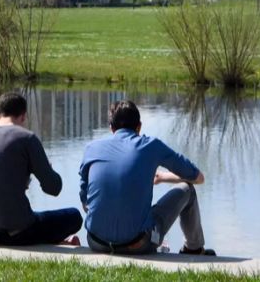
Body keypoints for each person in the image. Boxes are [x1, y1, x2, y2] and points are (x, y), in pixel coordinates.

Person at [79, 100, 215, 255]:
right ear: (139, 126)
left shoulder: (91, 149)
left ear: (111, 128)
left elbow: (86, 204)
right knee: (187, 190)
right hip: (138, 244)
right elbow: (198, 178)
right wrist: (164, 177)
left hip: (96, 242)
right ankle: (194, 248)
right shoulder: (151, 146)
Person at [0, 92, 82, 246]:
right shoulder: (27, 139)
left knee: (34, 219)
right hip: (18, 233)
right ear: (23, 116)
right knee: (74, 216)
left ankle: (60, 241)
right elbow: (54, 188)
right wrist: (47, 170)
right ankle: (60, 241)